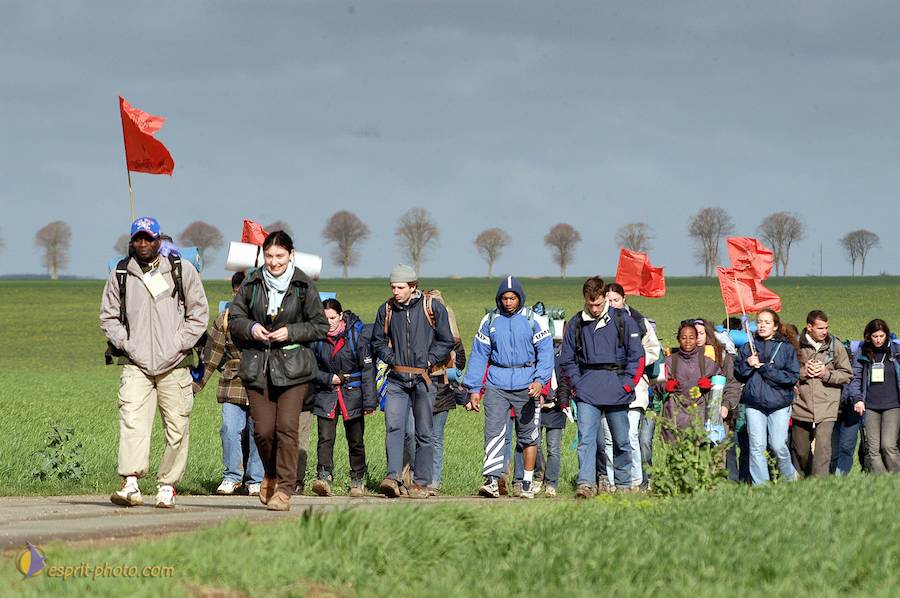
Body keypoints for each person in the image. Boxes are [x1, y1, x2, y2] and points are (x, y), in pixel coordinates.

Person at [100, 216, 209, 508]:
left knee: (176, 427)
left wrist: (179, 343)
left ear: (159, 241)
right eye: (138, 238)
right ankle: (131, 483)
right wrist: (126, 343)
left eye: (148, 238)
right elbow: (108, 316)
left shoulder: (180, 270)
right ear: (131, 241)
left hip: (175, 363)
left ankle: (167, 485)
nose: (143, 243)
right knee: (132, 421)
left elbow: (199, 313)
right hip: (136, 363)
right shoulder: (121, 273)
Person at [228, 231, 329, 511]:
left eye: (280, 256)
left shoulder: (303, 286)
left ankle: (284, 488)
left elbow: (320, 326)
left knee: (286, 428)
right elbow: (234, 318)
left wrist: (291, 331)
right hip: (258, 366)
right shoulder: (252, 283)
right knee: (262, 431)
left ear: (291, 256)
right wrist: (251, 328)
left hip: (294, 368)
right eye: (269, 256)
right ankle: (269, 474)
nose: (274, 262)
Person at [465, 276, 554, 499]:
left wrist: (539, 381)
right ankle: (492, 480)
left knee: (529, 435)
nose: (508, 302)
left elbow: (545, 354)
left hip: (527, 383)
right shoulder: (490, 320)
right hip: (497, 382)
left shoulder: (535, 321)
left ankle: (526, 481)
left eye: (512, 298)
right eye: (504, 298)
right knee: (494, 432)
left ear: (520, 298)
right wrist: (475, 389)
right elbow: (478, 355)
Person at [371, 265, 455, 499]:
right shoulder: (386, 309)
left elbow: (446, 340)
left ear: (412, 286)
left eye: (400, 287)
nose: (395, 291)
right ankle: (393, 477)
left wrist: (429, 360)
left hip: (424, 380)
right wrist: (391, 358)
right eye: (393, 287)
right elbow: (377, 342)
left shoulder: (432, 308)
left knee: (424, 432)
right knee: (394, 427)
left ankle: (421, 483)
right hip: (397, 380)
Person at [559, 276, 645, 498]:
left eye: (598, 303)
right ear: (585, 299)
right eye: (590, 303)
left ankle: (624, 485)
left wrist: (627, 384)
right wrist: (577, 385)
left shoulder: (624, 320)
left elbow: (637, 356)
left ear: (606, 297)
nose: (595, 308)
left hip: (617, 388)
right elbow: (566, 360)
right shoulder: (576, 323)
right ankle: (586, 484)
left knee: (622, 441)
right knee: (586, 440)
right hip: (587, 390)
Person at [193, 272, 264, 496]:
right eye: (239, 290)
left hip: (262, 382)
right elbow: (210, 358)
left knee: (258, 432)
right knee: (229, 429)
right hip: (232, 382)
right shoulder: (224, 319)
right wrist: (192, 388)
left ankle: (255, 479)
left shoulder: (267, 318)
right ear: (234, 292)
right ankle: (232, 476)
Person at [310, 299, 377, 497]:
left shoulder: (356, 335)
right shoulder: (316, 337)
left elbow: (367, 369)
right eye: (325, 318)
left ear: (340, 316)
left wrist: (369, 402)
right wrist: (328, 378)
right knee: (325, 438)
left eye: (332, 317)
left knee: (355, 439)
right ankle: (324, 477)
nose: (329, 322)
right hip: (326, 392)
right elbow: (309, 368)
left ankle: (357, 478)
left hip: (353, 394)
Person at [599, 283, 661, 489]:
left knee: (630, 434)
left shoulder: (639, 321)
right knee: (609, 438)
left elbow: (653, 349)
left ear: (624, 299)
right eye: (608, 300)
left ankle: (635, 480)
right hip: (607, 386)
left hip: (635, 386)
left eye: (615, 300)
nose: (612, 304)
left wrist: (635, 359)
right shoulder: (598, 322)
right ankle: (613, 481)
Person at [733, 309, 800, 485]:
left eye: (767, 322)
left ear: (775, 326)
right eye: (759, 322)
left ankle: (790, 476)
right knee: (757, 447)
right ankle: (760, 487)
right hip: (754, 403)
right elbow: (739, 374)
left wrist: (764, 368)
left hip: (779, 404)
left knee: (777, 445)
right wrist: (748, 364)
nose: (762, 325)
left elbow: (791, 377)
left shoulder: (786, 348)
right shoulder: (748, 346)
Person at [791, 310, 853, 477]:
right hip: (801, 404)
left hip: (828, 405)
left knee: (823, 448)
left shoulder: (835, 346)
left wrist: (825, 374)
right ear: (809, 327)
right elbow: (785, 371)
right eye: (820, 328)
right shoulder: (795, 345)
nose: (824, 331)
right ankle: (809, 478)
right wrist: (803, 372)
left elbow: (847, 374)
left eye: (826, 327)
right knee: (801, 449)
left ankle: (820, 485)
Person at [849, 319, 900, 474]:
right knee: (873, 449)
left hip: (893, 405)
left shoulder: (896, 351)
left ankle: (897, 479)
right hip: (870, 406)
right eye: (875, 336)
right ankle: (883, 483)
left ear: (886, 335)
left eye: (881, 336)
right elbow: (855, 378)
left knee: (888, 445)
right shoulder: (862, 352)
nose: (878, 340)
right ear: (868, 336)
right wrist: (857, 399)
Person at [659, 322, 722, 438]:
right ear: (678, 339)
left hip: (699, 414)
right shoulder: (668, 361)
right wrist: (665, 386)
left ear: (697, 339)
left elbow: (720, 382)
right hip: (674, 415)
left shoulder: (707, 362)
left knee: (697, 452)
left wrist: (710, 385)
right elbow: (657, 385)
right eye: (684, 338)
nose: (688, 341)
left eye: (691, 338)